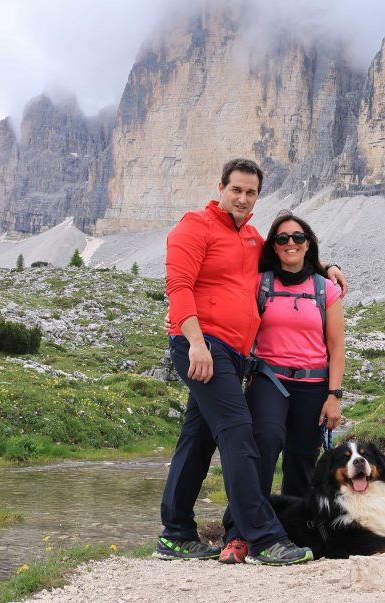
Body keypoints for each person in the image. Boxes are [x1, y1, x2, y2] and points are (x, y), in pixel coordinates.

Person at [156, 157, 346, 566]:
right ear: (220, 187)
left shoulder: (251, 238)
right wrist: (196, 343)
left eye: (250, 192)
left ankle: (175, 534)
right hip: (204, 347)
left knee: (198, 438)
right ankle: (262, 537)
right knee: (239, 432)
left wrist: (326, 268)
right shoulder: (195, 226)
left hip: (234, 355)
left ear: (257, 196)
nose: (242, 198)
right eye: (236, 189)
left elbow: (290, 256)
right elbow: (178, 285)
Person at [218, 212, 346, 564]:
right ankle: (239, 534)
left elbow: (337, 347)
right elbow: (222, 292)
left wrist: (334, 396)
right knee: (263, 445)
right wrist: (182, 317)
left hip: (314, 383)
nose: (291, 244)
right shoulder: (259, 282)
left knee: (302, 460)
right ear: (273, 245)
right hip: (268, 378)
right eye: (283, 238)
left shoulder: (326, 289)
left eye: (298, 238)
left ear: (308, 244)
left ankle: (290, 535)